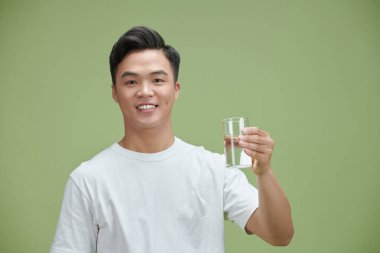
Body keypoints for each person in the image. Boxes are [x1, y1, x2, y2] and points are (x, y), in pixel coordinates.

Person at [50, 26, 293, 253]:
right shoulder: (88, 180)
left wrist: (264, 172)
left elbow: (280, 235)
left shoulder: (214, 170)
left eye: (157, 80)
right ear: (115, 92)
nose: (145, 91)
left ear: (176, 89)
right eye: (131, 81)